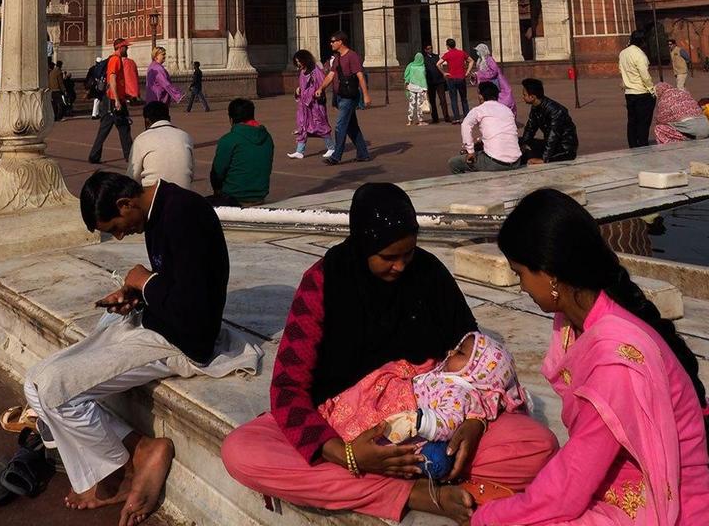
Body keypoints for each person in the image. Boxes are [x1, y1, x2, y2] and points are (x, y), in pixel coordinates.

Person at [222, 183, 558, 523]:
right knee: (242, 451)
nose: (400, 266)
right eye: (387, 257)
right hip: (340, 426)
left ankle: (414, 470)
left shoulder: (428, 274)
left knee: (537, 446)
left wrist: (474, 424)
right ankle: (414, 492)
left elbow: (473, 365)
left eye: (408, 254)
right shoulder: (323, 284)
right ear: (363, 245)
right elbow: (286, 389)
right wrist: (349, 455)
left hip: (432, 423)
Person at [472, 187, 709, 525]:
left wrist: (488, 518)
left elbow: (569, 487)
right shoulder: (578, 320)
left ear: (550, 274)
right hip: (616, 474)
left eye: (521, 273)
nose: (521, 287)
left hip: (665, 499)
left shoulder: (614, 357)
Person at [24, 172, 260, 520]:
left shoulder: (184, 214)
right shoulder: (160, 210)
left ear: (126, 203)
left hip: (178, 342)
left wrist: (143, 280)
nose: (120, 234)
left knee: (55, 390)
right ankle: (140, 448)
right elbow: (179, 281)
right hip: (155, 323)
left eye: (116, 226)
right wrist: (137, 294)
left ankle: (122, 471)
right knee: (34, 381)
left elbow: (195, 317)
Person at [320, 330, 530, 464]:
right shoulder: (449, 376)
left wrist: (418, 421)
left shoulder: (459, 391)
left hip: (404, 418)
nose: (451, 351)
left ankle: (345, 432)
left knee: (370, 417)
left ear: (476, 371)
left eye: (460, 353)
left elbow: (448, 420)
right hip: (401, 398)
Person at [319, 31, 372, 165]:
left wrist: (366, 95)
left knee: (340, 126)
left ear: (340, 42)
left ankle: (336, 156)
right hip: (341, 96)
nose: (331, 44)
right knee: (352, 127)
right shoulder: (337, 57)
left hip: (349, 97)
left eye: (333, 41)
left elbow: (360, 76)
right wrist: (321, 88)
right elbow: (331, 75)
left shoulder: (352, 56)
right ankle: (363, 154)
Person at [210, 98, 274, 206]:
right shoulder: (267, 137)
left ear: (231, 119)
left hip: (234, 198)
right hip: (259, 196)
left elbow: (217, 174)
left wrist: (217, 191)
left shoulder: (229, 140)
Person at [448, 82, 522, 174]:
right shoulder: (507, 110)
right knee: (480, 148)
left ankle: (469, 187)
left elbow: (465, 125)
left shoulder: (479, 110)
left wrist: (470, 151)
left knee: (454, 163)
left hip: (495, 163)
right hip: (516, 162)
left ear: (481, 96)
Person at [128, 101, 194, 189]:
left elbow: (133, 177)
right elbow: (191, 173)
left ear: (147, 121)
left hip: (154, 198)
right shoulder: (185, 136)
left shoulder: (141, 139)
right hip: (184, 196)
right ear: (169, 118)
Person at [88, 39, 133, 165]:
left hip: (113, 99)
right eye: (125, 47)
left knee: (117, 128)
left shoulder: (114, 59)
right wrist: (117, 100)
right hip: (113, 100)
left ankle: (94, 155)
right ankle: (129, 155)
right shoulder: (115, 60)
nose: (127, 49)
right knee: (120, 128)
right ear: (120, 47)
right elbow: (112, 79)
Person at [519, 78, 578, 164]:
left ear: (532, 97)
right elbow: (530, 128)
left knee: (529, 157)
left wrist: (544, 159)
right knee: (519, 142)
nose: (523, 97)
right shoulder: (536, 107)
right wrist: (523, 145)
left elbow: (553, 135)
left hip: (564, 149)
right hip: (552, 145)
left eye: (524, 95)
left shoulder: (556, 111)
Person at [289, 49, 331, 158]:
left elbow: (322, 84)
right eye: (296, 62)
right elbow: (302, 85)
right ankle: (300, 151)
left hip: (315, 105)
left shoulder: (316, 71)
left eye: (299, 61)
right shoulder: (302, 72)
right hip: (304, 105)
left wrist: (315, 91)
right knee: (302, 125)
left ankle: (331, 147)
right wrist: (299, 89)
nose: (298, 64)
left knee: (321, 125)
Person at [619, 29, 656, 148]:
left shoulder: (623, 53)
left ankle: (633, 144)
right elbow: (645, 75)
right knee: (643, 122)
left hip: (629, 93)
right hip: (642, 92)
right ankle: (642, 144)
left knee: (632, 121)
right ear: (642, 41)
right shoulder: (640, 54)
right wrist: (651, 89)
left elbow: (620, 70)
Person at [472, 44, 516, 113]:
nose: (477, 53)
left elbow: (494, 71)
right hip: (484, 83)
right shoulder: (481, 60)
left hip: (493, 83)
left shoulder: (489, 59)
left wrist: (479, 75)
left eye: (478, 51)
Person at [438, 38, 474, 123]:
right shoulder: (461, 53)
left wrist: (444, 73)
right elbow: (471, 61)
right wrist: (467, 72)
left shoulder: (447, 54)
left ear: (448, 46)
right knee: (464, 98)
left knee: (453, 99)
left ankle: (457, 117)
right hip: (461, 77)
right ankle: (467, 116)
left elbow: (438, 64)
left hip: (451, 78)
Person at [423, 45, 450, 123]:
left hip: (439, 81)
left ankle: (446, 117)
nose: (430, 50)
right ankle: (435, 118)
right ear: (425, 50)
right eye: (428, 49)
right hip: (430, 82)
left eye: (431, 48)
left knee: (443, 99)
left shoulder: (436, 56)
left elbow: (440, 66)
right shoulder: (424, 59)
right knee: (432, 100)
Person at [403, 52, 428, 126]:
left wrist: (407, 83)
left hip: (412, 86)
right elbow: (423, 78)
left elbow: (407, 75)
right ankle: (420, 121)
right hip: (420, 87)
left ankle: (410, 120)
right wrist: (425, 88)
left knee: (411, 104)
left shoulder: (411, 65)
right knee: (419, 104)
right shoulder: (422, 66)